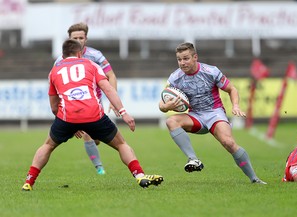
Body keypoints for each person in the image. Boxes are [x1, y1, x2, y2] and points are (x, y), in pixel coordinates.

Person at [22, 39, 163, 191]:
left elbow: (54, 106)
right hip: (94, 115)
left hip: (67, 117)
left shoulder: (54, 72)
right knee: (121, 144)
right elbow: (108, 89)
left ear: (62, 55)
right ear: (79, 53)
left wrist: (70, 124)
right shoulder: (91, 65)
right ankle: (139, 176)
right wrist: (123, 113)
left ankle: (28, 182)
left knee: (48, 145)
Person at [158, 42, 266, 184]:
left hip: (214, 114)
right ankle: (193, 159)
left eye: (186, 58)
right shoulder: (175, 78)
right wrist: (166, 107)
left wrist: (236, 105)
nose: (182, 63)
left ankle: (254, 178)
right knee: (171, 121)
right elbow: (161, 103)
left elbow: (231, 89)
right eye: (179, 59)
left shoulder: (211, 71)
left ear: (195, 57)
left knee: (229, 143)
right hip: (195, 116)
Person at [54, 22, 118, 175]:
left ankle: (96, 150)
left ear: (86, 39)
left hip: (94, 100)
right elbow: (56, 87)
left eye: (81, 37)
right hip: (73, 103)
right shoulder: (60, 61)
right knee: (87, 135)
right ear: (69, 39)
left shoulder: (95, 56)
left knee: (95, 138)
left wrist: (113, 101)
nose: (78, 40)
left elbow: (111, 75)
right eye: (75, 38)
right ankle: (99, 167)